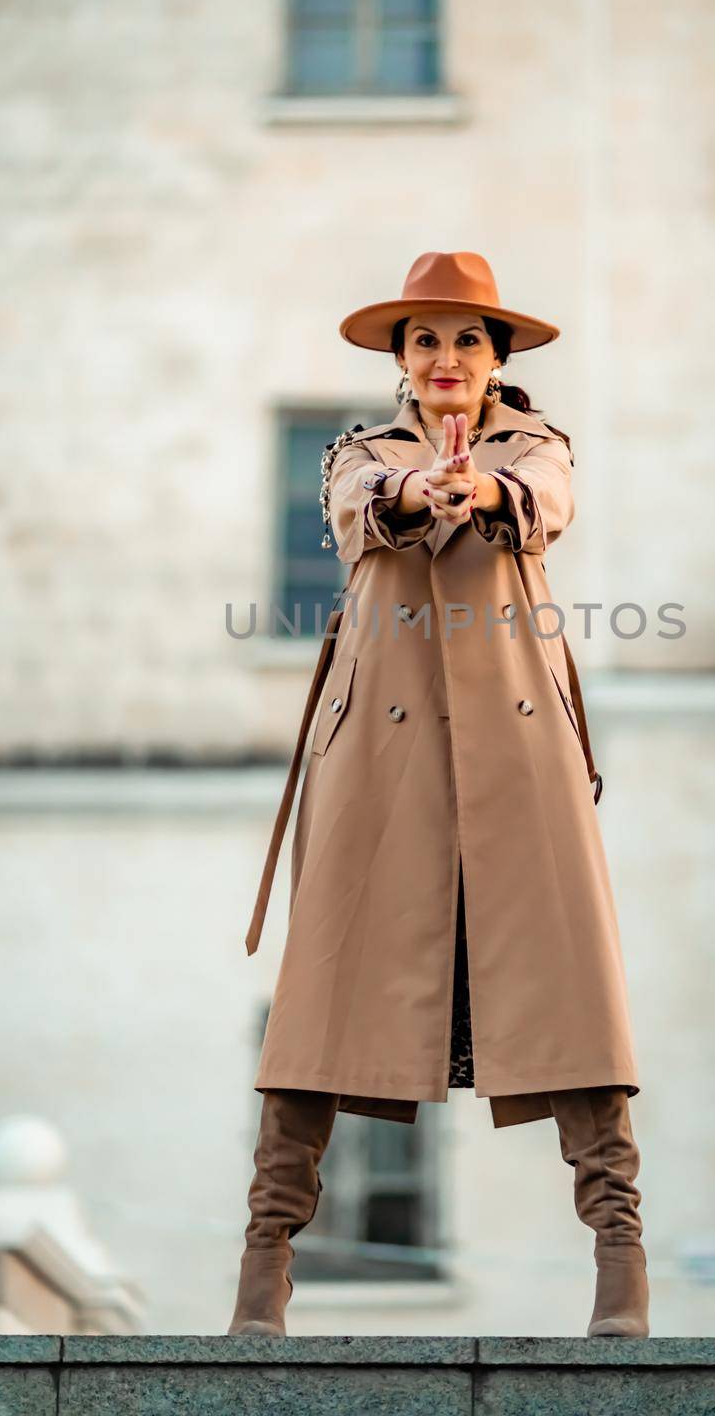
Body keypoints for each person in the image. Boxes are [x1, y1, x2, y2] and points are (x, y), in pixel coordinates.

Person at [228, 251, 648, 1337]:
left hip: (519, 762)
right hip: (377, 760)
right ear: (400, 360)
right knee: (318, 1006)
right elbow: (355, 505)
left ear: (496, 358)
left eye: (466, 339)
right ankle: (262, 1268)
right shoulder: (359, 452)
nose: (445, 358)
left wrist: (489, 489)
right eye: (424, 340)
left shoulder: (536, 447)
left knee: (571, 992)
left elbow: (544, 500)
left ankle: (618, 1262)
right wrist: (415, 489)